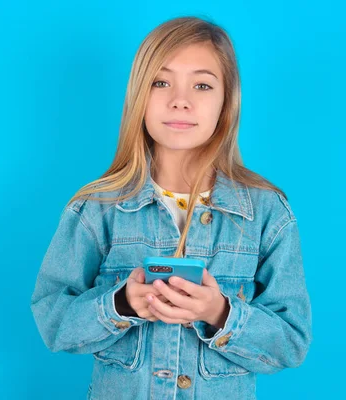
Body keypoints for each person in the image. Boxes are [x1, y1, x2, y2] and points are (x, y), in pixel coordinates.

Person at [30, 16, 312, 400]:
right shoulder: (97, 208)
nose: (180, 99)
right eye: (161, 82)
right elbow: (53, 320)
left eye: (202, 84)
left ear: (226, 102)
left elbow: (291, 342)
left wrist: (220, 313)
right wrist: (122, 303)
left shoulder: (266, 212)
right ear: (138, 97)